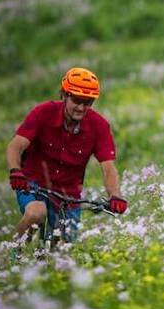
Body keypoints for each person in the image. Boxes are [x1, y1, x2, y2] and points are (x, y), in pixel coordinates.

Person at [7, 67, 127, 244]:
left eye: (88, 102)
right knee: (36, 212)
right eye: (76, 100)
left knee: (64, 249)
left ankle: (45, 265)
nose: (81, 107)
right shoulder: (43, 112)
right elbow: (15, 146)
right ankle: (10, 252)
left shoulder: (99, 126)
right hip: (33, 183)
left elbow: (108, 167)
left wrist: (115, 195)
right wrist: (15, 171)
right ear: (64, 94)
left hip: (68, 194)